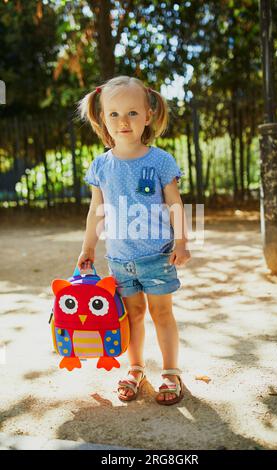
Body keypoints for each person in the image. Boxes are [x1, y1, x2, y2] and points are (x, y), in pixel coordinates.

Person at [77, 75, 191, 405]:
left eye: (132, 113)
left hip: (157, 256)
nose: (123, 121)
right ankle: (136, 367)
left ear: (148, 115)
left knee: (162, 314)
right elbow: (96, 210)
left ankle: (171, 372)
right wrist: (88, 248)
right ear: (102, 118)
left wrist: (181, 241)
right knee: (133, 315)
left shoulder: (159, 160)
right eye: (114, 114)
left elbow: (175, 204)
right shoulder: (100, 165)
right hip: (120, 259)